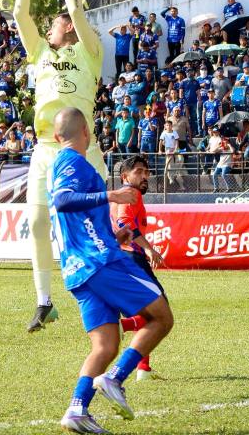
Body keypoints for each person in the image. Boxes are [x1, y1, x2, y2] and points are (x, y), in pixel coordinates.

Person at [49, 108, 173, 433]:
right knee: (161, 317)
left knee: (104, 346)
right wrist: (111, 194)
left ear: (55, 136)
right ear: (87, 134)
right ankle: (116, 378)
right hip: (98, 262)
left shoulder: (65, 164)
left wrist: (113, 234)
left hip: (78, 270)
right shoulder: (72, 162)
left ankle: (77, 409)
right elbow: (63, 200)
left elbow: (79, 217)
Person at [14, 0, 109, 333]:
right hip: (45, 148)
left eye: (54, 23)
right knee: (37, 222)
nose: (49, 28)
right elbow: (20, 13)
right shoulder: (39, 53)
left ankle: (111, 290)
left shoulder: (90, 51)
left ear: (66, 27)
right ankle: (44, 301)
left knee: (102, 223)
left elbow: (74, 9)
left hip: (83, 148)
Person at [110, 155, 167, 381]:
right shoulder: (129, 195)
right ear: (125, 176)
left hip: (123, 258)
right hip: (132, 258)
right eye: (139, 171)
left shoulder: (125, 196)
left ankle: (143, 368)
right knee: (160, 313)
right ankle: (123, 325)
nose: (145, 176)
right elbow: (125, 224)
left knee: (151, 314)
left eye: (147, 172)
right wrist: (150, 249)